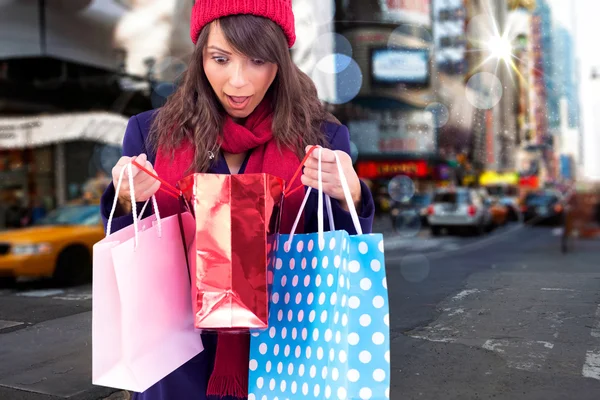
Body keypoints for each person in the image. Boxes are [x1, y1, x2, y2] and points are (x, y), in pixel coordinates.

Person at [100, 1, 375, 399]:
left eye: (258, 60)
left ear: (280, 60)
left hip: (287, 358)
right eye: (221, 58)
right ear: (200, 57)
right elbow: (129, 250)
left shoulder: (323, 138)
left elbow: (339, 253)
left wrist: (351, 193)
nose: (238, 82)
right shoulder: (151, 134)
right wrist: (126, 200)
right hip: (176, 362)